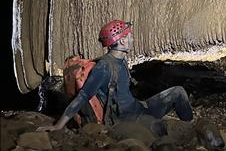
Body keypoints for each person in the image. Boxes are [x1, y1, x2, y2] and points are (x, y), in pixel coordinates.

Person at [37, 19, 193, 132]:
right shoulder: (104, 67)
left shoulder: (121, 60)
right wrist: (58, 125)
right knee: (164, 130)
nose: (133, 39)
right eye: (130, 36)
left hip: (139, 108)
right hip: (125, 120)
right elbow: (82, 97)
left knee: (178, 92)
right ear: (123, 42)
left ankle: (192, 128)